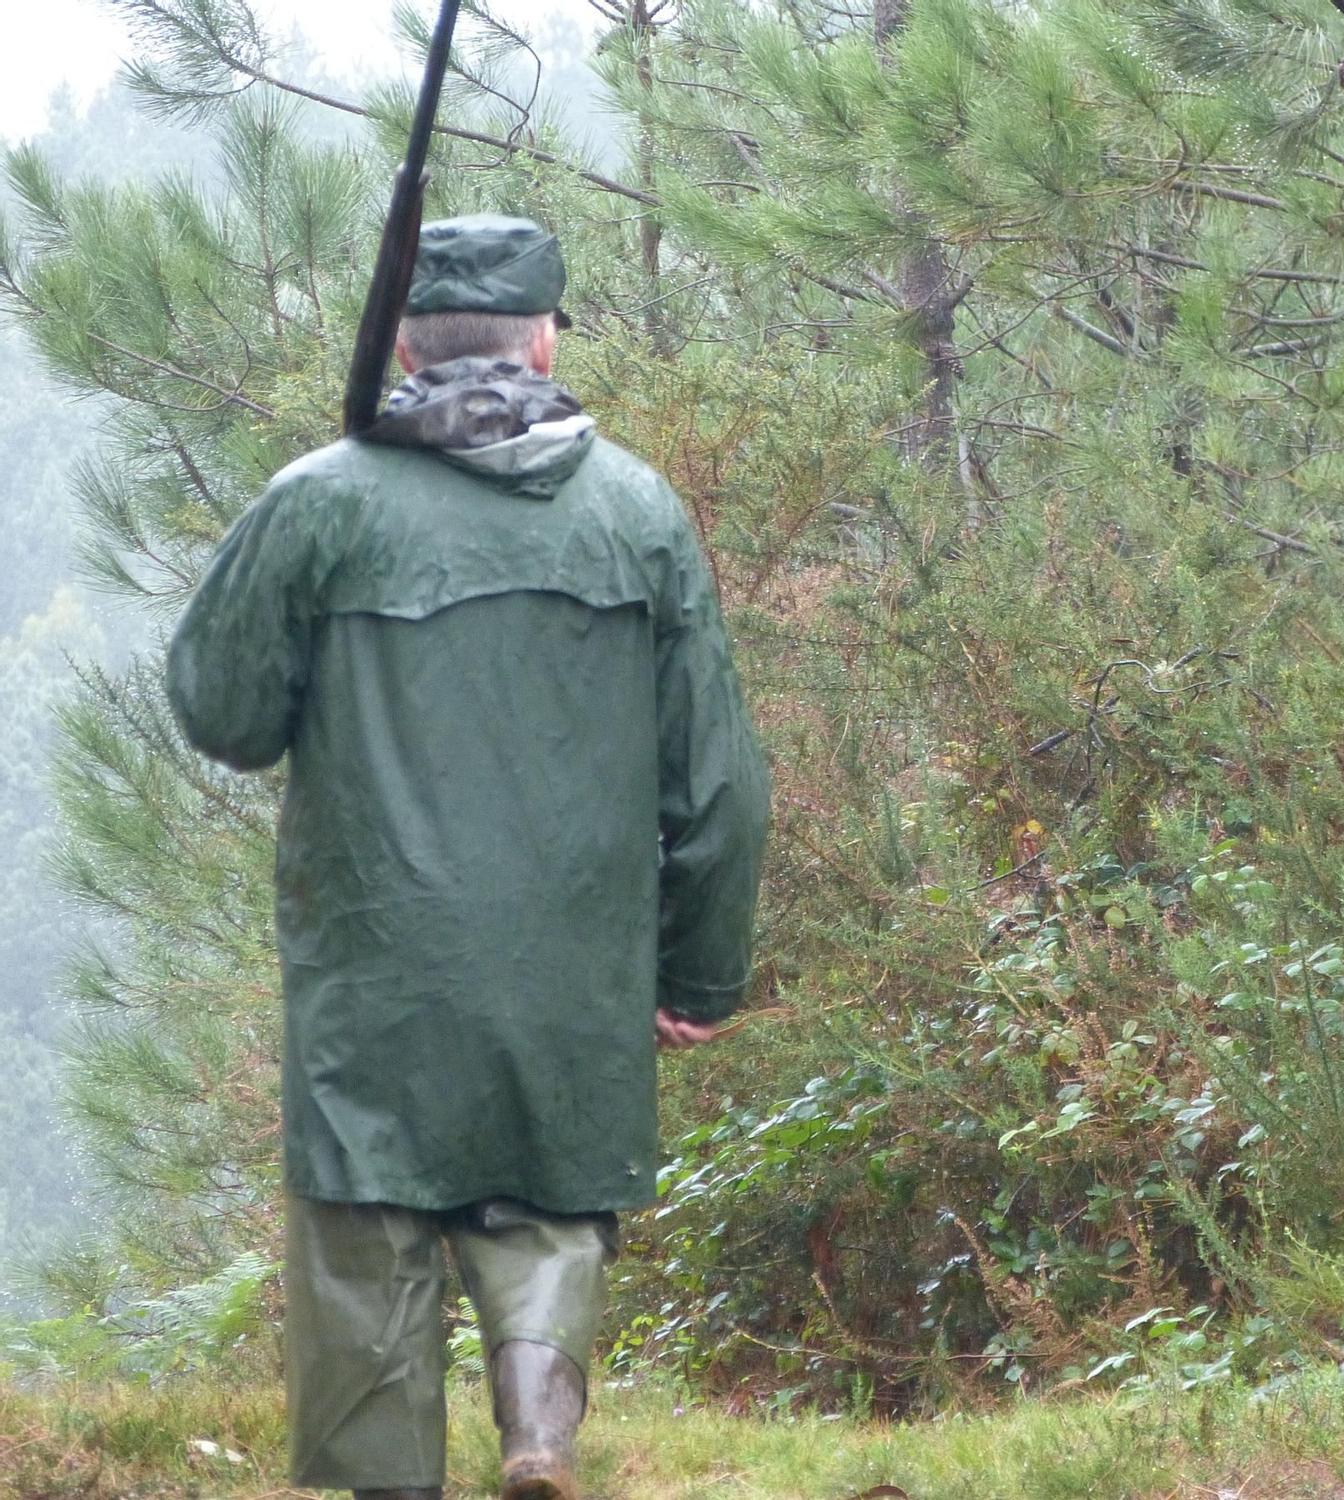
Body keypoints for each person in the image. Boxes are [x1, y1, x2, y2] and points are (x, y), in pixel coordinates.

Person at [168, 213, 770, 1500]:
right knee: (548, 1202)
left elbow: (223, 718)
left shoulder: (318, 501)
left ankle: (389, 1482)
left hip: (372, 966)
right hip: (570, 964)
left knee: (365, 1231)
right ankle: (537, 1431)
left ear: (399, 339)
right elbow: (716, 780)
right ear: (545, 339)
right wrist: (695, 973)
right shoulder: (637, 512)